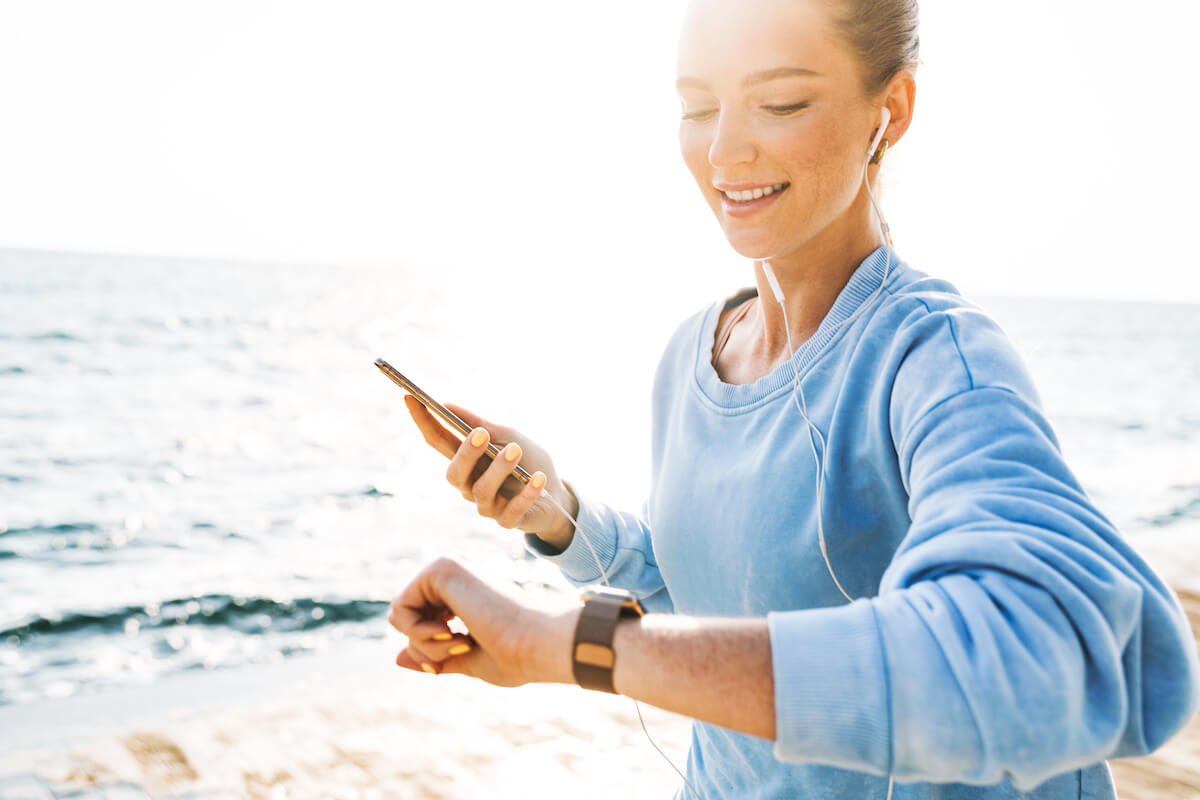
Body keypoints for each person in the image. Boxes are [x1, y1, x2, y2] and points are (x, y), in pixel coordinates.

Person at [387, 0, 1200, 797]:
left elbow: (1049, 654)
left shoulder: (939, 358)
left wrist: (568, 645)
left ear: (891, 110)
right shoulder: (689, 358)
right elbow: (708, 595)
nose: (724, 150)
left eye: (780, 102)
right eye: (698, 107)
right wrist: (556, 512)